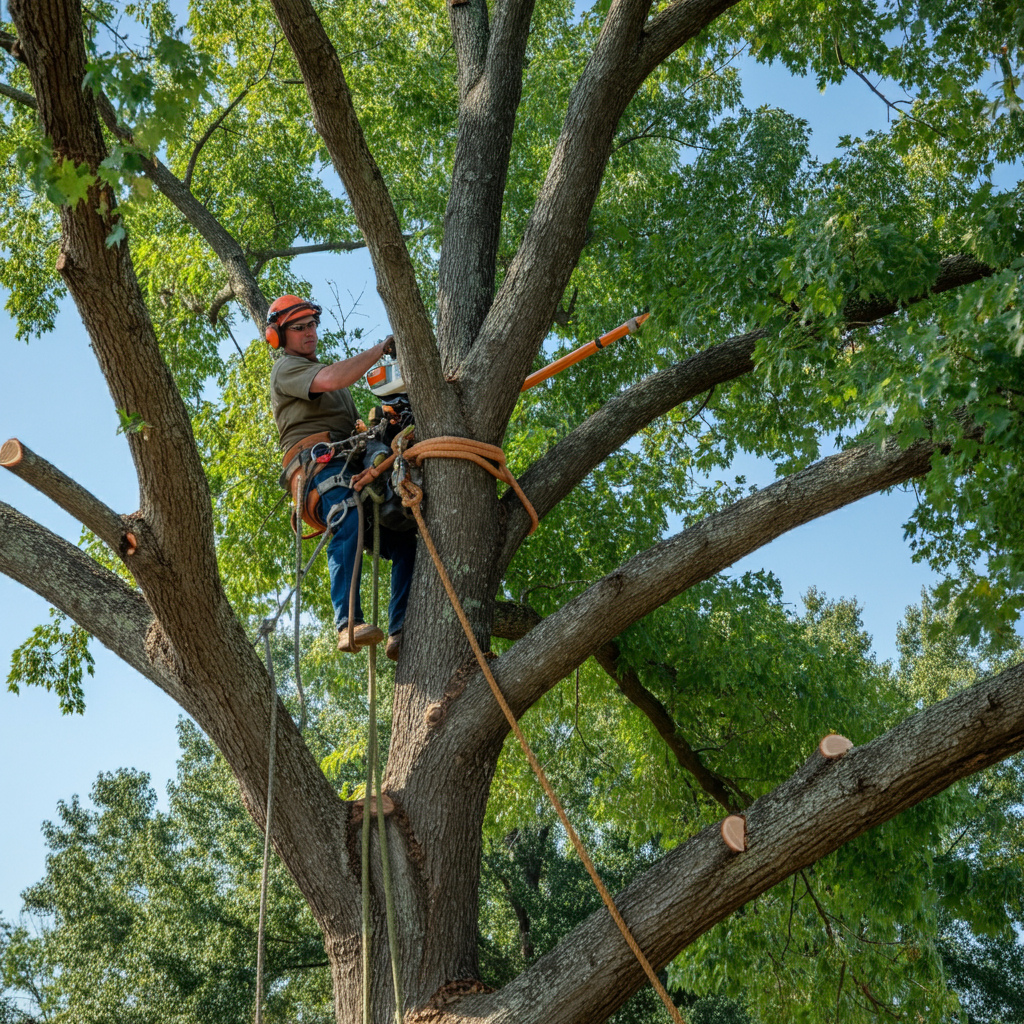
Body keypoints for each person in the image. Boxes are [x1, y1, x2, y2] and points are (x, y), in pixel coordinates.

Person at [267, 294, 415, 659]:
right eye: (299, 328)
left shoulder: (333, 389)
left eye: (312, 325)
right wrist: (380, 350)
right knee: (346, 516)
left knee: (406, 540)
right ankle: (346, 624)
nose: (309, 333)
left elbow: (358, 429)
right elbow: (332, 378)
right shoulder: (287, 369)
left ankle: (399, 629)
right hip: (322, 469)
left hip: (354, 467)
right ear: (279, 337)